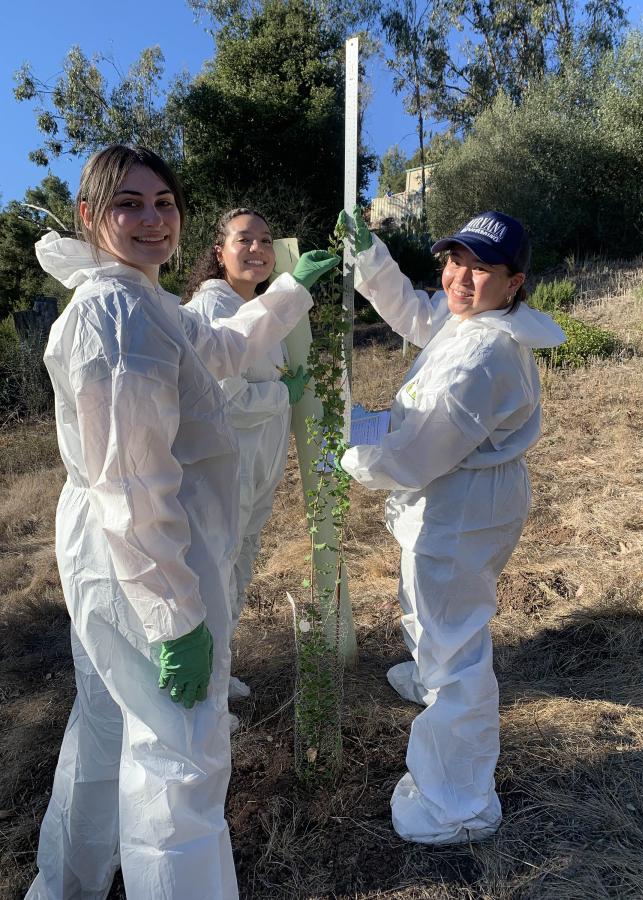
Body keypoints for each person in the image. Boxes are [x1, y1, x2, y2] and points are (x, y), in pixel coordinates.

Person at [25, 144, 338, 900]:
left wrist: (291, 289)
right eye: (127, 203)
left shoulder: (146, 304)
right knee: (182, 759)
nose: (150, 218)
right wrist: (174, 617)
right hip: (146, 557)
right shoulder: (114, 314)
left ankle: (66, 884)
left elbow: (224, 347)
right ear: (89, 216)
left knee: (107, 725)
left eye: (163, 203)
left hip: (120, 555)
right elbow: (132, 486)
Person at [339, 208, 565, 845]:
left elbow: (410, 453)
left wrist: (344, 433)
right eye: (454, 259)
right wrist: (370, 256)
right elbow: (418, 313)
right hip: (461, 496)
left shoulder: (485, 355)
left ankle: (457, 802)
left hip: (460, 506)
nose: (459, 277)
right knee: (431, 604)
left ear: (514, 281)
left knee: (457, 647)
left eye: (480, 267)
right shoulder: (469, 321)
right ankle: (427, 669)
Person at [183, 209, 307, 719]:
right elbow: (221, 398)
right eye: (243, 240)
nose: (256, 248)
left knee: (239, 568)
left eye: (265, 240)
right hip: (221, 471)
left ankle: (219, 667)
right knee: (214, 573)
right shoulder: (209, 309)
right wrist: (281, 394)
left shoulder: (261, 307)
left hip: (257, 472)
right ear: (219, 253)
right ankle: (204, 703)